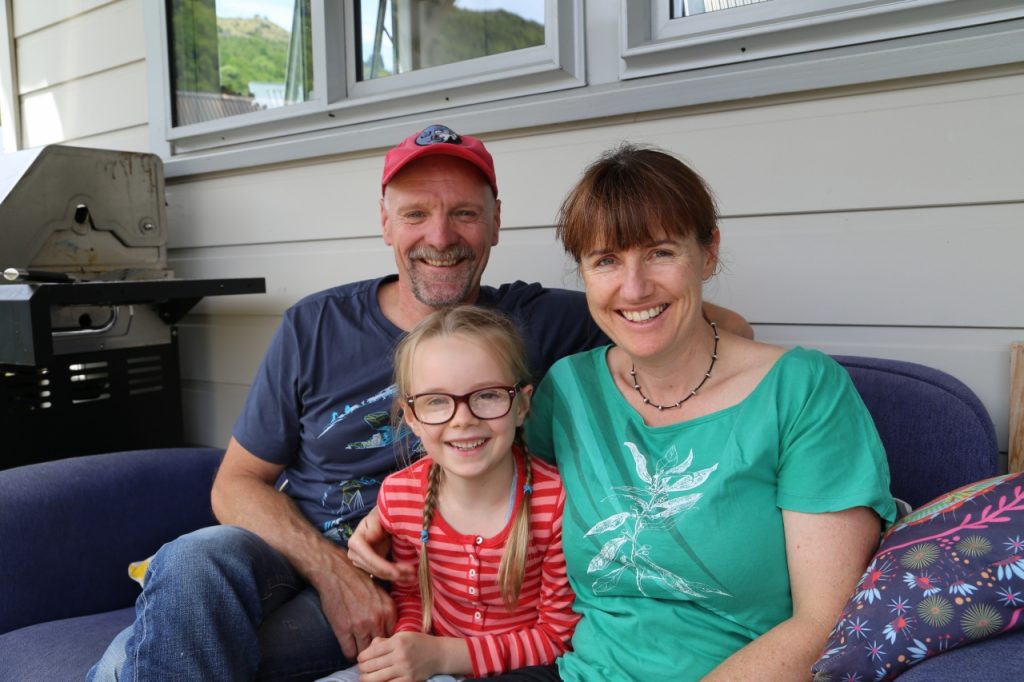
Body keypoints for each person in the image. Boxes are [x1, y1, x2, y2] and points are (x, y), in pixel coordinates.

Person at [88, 125, 750, 681]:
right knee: (193, 559)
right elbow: (236, 484)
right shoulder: (314, 325)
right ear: (385, 223)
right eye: (415, 213)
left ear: (495, 221)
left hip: (416, 596)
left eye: (464, 211)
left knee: (131, 661)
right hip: (300, 559)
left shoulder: (539, 320)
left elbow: (720, 327)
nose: (441, 235)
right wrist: (334, 575)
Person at [350, 144, 898, 681]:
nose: (633, 288)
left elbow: (826, 621)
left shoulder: (802, 391)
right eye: (606, 260)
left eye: (660, 251)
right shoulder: (569, 389)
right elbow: (485, 467)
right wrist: (386, 520)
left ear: (707, 253)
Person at [317, 305, 577, 682]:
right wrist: (407, 644)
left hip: (522, 672)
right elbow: (411, 597)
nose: (463, 418)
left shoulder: (554, 503)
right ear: (411, 417)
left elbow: (557, 636)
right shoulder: (401, 497)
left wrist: (442, 656)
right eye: (436, 401)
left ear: (521, 404)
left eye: (487, 395)